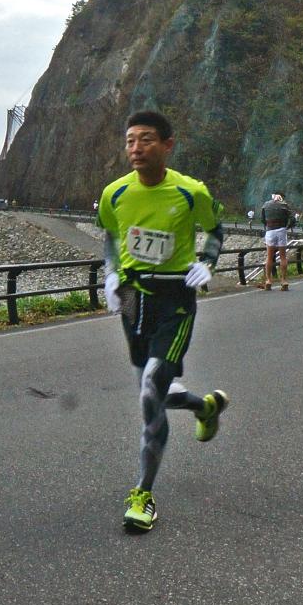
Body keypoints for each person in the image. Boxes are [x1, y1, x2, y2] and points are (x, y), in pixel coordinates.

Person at [97, 110, 232, 533]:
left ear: (168, 145)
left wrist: (207, 263)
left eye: (147, 140)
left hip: (175, 298)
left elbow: (215, 230)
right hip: (134, 300)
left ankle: (143, 493)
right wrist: (112, 273)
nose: (136, 148)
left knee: (152, 387)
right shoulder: (115, 193)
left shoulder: (191, 192)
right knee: (153, 392)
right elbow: (112, 236)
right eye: (130, 140)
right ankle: (204, 405)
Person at [260, 190, 295, 292]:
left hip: (270, 230)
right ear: (281, 197)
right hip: (281, 230)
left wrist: (267, 225)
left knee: (269, 257)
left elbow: (262, 219)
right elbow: (293, 219)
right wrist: (287, 227)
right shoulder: (284, 205)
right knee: (283, 256)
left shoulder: (266, 205)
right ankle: (284, 281)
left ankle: (268, 281)